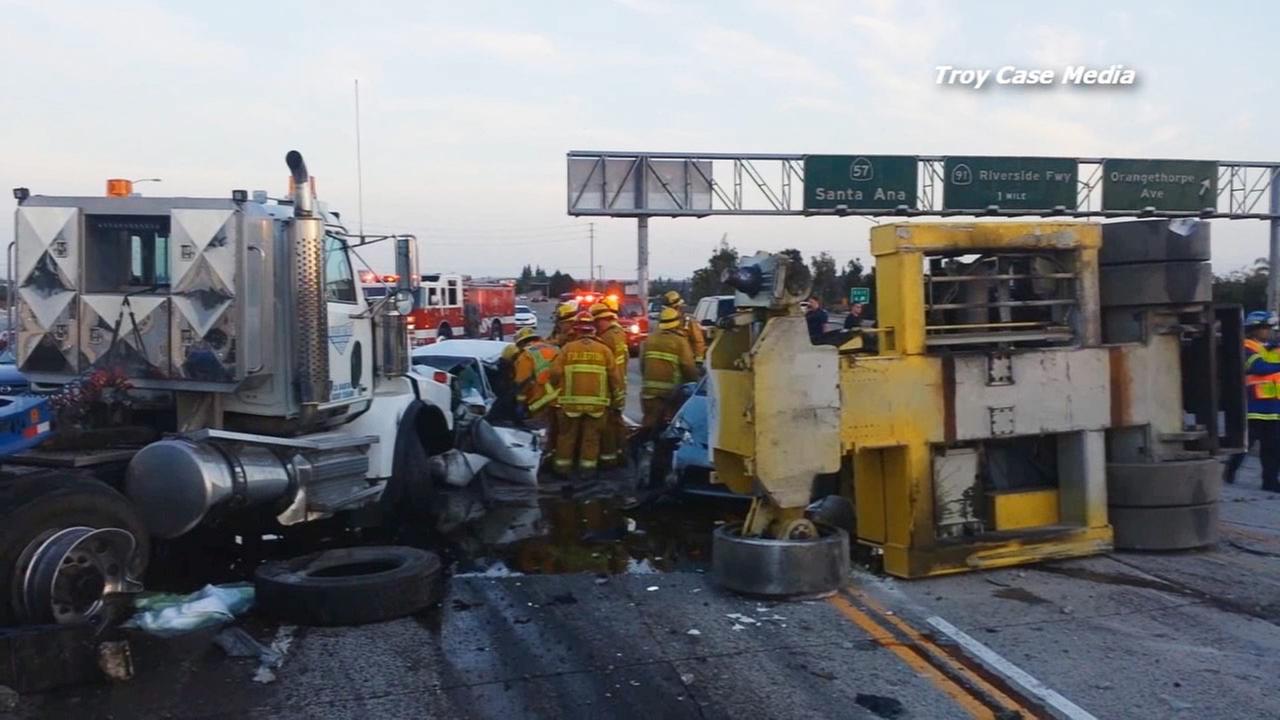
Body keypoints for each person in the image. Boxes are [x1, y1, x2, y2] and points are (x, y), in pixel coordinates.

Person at [550, 311, 624, 478]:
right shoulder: (604, 350)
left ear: (577, 329)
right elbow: (615, 379)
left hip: (570, 404)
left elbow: (554, 373)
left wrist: (557, 387)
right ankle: (587, 471)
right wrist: (617, 402)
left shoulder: (567, 349)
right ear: (593, 330)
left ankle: (563, 469)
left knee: (567, 437)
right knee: (591, 439)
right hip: (597, 406)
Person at [1226, 311, 1280, 491]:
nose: (1268, 331)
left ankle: (1270, 482)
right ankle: (1230, 471)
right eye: (1265, 328)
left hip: (1273, 408)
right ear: (1254, 329)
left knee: (1273, 448)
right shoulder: (1246, 346)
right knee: (1245, 446)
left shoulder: (1269, 348)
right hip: (1253, 407)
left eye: (1269, 328)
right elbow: (1257, 367)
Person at [640, 307, 699, 436]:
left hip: (649, 392)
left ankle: (642, 449)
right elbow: (688, 367)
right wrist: (695, 383)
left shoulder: (650, 339)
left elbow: (643, 364)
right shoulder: (679, 341)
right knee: (670, 428)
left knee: (648, 425)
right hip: (671, 394)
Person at [591, 301, 629, 468]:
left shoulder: (606, 337)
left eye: (596, 322)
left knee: (608, 425)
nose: (595, 326)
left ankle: (608, 460)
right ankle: (621, 454)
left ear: (602, 319)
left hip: (610, 385)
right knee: (617, 422)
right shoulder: (619, 332)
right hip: (620, 383)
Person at [510, 327, 560, 425]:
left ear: (520, 343)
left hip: (541, 401)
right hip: (562, 398)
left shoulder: (526, 355)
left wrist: (520, 403)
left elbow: (522, 383)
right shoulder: (556, 349)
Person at [661, 290, 706, 362]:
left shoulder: (688, 322)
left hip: (685, 361)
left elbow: (698, 342)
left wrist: (698, 361)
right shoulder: (663, 321)